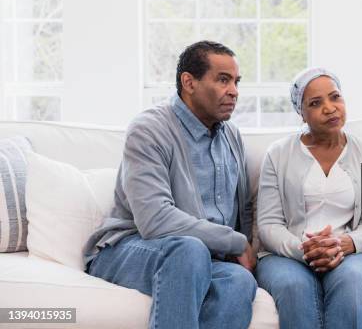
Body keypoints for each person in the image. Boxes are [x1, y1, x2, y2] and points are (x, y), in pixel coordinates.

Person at [84, 40, 258, 329]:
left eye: (236, 82)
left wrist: (247, 248)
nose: (234, 91)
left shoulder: (233, 137)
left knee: (239, 280)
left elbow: (244, 208)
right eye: (223, 80)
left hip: (206, 258)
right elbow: (154, 221)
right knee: (189, 251)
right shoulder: (149, 130)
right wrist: (235, 241)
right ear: (188, 82)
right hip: (131, 247)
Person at [255, 68, 362, 329]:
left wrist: (345, 243)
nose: (329, 108)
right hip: (288, 254)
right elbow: (269, 225)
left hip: (350, 252)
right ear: (301, 113)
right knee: (294, 286)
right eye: (315, 103)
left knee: (354, 282)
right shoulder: (278, 154)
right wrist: (305, 250)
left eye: (335, 97)